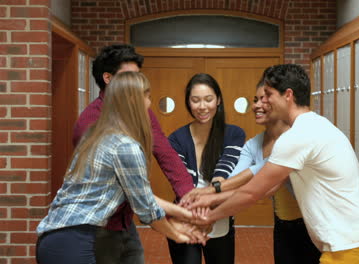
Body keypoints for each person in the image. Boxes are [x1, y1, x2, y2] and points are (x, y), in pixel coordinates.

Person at [192, 64, 359, 264]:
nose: (263, 102)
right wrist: (212, 199)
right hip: (358, 239)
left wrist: (210, 216)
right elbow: (267, 189)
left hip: (349, 246)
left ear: (288, 95)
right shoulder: (313, 124)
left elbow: (252, 193)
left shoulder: (297, 136)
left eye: (268, 94)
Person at [36, 72, 206, 264]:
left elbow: (142, 194)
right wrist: (178, 235)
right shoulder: (125, 147)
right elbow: (146, 210)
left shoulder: (98, 133)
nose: (150, 104)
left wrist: (184, 214)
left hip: (55, 238)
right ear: (134, 101)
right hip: (75, 242)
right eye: (147, 97)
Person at [73, 44, 194, 263]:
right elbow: (135, 195)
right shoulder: (90, 123)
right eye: (130, 77)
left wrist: (189, 196)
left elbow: (166, 154)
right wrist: (177, 226)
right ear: (109, 78)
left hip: (126, 221)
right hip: (96, 226)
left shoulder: (142, 112)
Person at [183, 80, 321, 263]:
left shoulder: (295, 138)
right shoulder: (253, 144)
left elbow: (261, 186)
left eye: (264, 99)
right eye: (255, 100)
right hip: (283, 224)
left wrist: (209, 200)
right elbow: (235, 180)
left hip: (312, 225)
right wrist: (209, 199)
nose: (256, 105)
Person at [168, 73, 245, 264]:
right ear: (188, 102)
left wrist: (210, 215)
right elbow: (182, 183)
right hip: (185, 217)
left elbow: (223, 176)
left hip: (220, 216)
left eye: (208, 99)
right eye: (195, 100)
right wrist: (198, 217)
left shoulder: (234, 134)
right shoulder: (176, 138)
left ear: (218, 100)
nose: (202, 106)